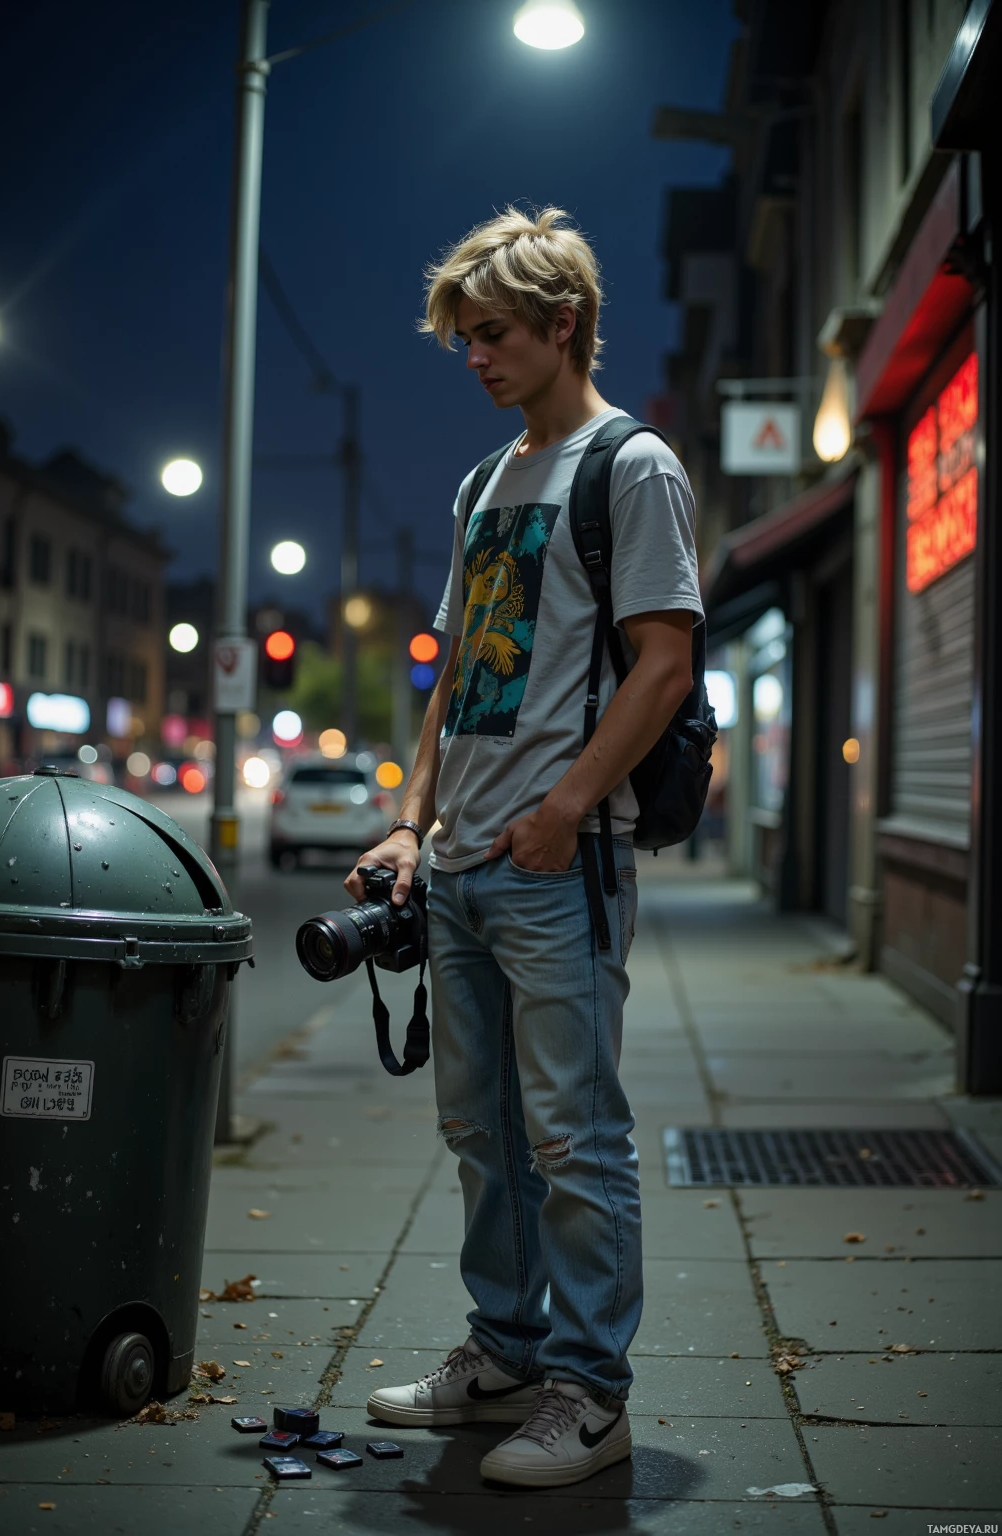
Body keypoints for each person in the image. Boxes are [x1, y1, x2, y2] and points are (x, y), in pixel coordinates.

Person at [345, 206, 702, 1489]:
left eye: (491, 336)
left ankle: (589, 1393)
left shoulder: (631, 466)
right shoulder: (484, 484)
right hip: (460, 868)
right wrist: (409, 818)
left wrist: (563, 808)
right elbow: (452, 675)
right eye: (461, 341)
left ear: (563, 325)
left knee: (572, 1134)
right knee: (481, 1133)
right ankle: (503, 1355)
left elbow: (664, 665)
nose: (475, 359)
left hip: (564, 861)